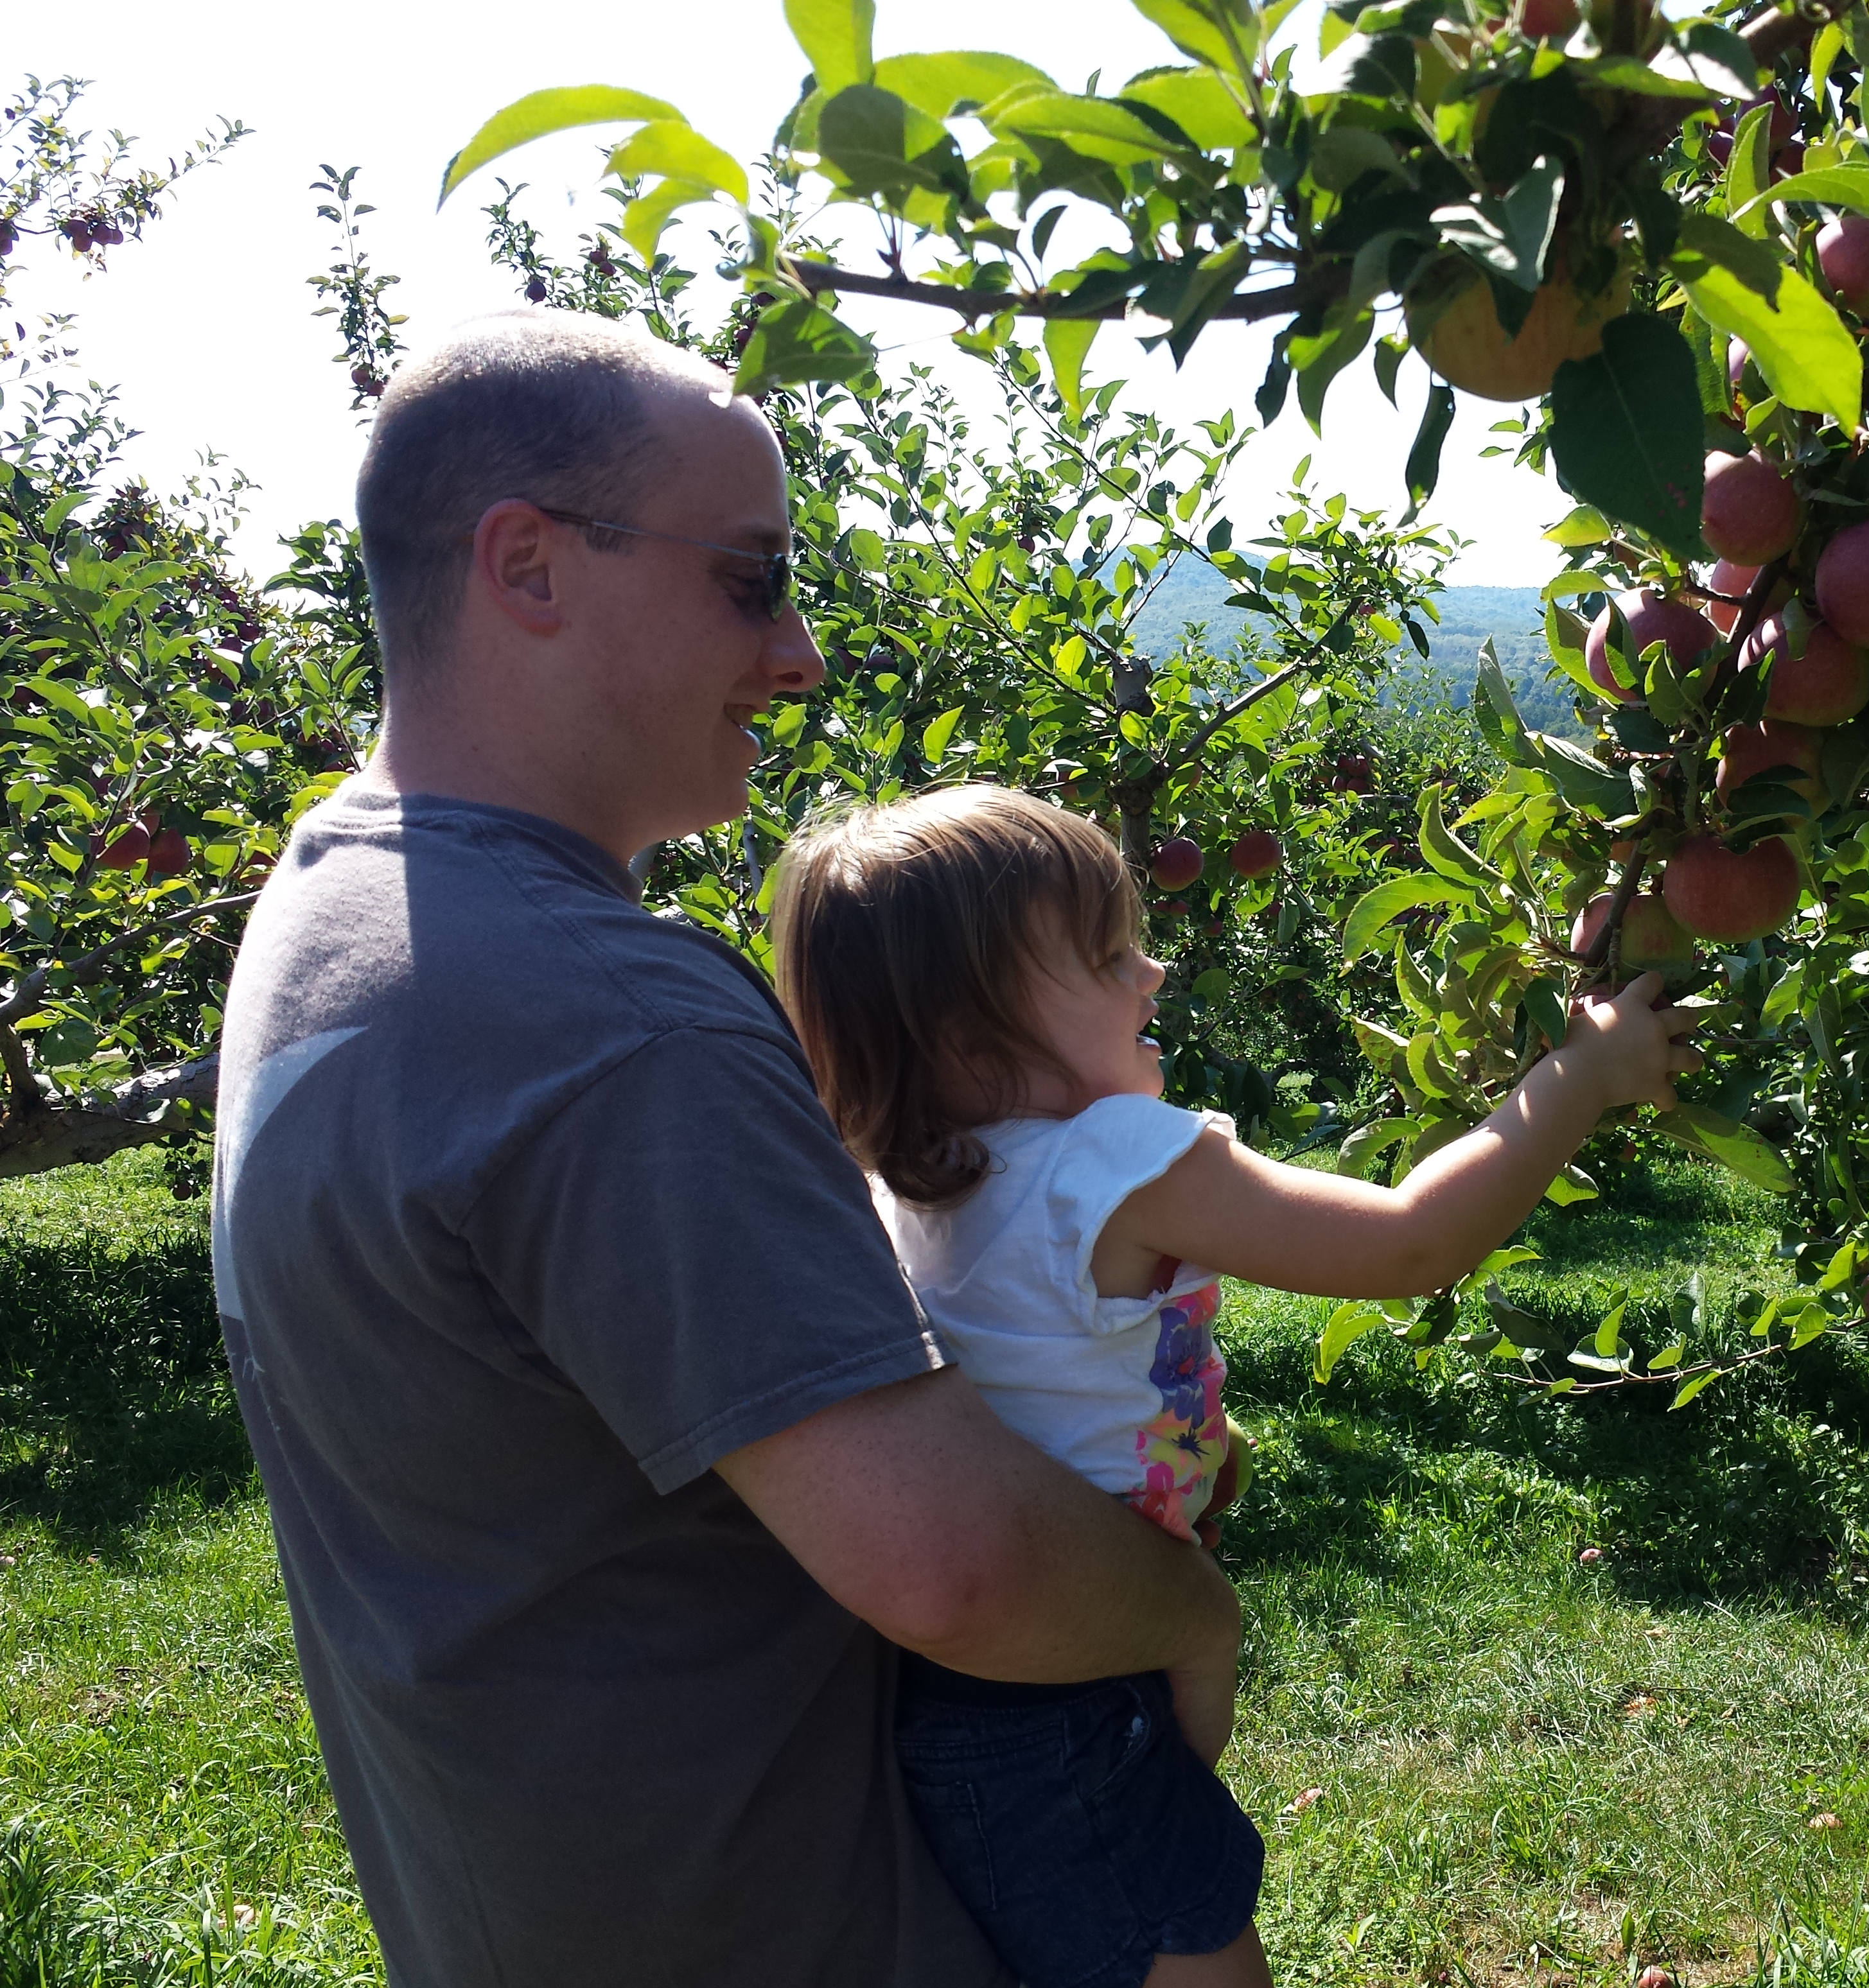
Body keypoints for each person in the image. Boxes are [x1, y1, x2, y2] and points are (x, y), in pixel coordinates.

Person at [210, 311, 1245, 1988]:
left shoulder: (330, 916)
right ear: (529, 567)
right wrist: (1194, 1609)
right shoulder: (611, 1017)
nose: (804, 654)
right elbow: (954, 1566)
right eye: (751, 581)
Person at [767, 785, 1701, 1988]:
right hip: (1081, 1701)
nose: (1150, 973)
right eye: (1107, 958)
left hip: (978, 1699)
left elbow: (1046, 1377)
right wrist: (1581, 1077)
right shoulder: (1109, 1159)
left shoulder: (912, 1195)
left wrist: (1195, 1440)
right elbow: (1408, 1242)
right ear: (969, 1037)